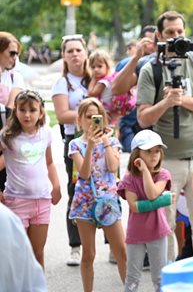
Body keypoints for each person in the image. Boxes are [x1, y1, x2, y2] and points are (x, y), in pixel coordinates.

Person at [136, 11, 193, 260]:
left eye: (180, 32)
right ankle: (167, 278)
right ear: (159, 36)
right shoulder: (151, 68)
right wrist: (166, 102)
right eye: (170, 33)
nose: (176, 38)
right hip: (165, 160)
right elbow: (143, 118)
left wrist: (183, 100)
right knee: (165, 224)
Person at [68, 97, 126, 291]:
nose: (93, 120)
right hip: (85, 203)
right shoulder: (75, 144)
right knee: (88, 254)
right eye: (88, 116)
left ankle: (130, 288)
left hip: (108, 201)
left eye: (97, 116)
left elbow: (113, 167)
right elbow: (83, 174)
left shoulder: (112, 141)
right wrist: (91, 145)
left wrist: (105, 142)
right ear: (80, 119)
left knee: (122, 251)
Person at [0, 89, 62, 268]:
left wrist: (56, 186)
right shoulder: (7, 136)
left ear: (41, 111)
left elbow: (49, 163)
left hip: (41, 201)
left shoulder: (46, 133)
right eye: (22, 110)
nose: (27, 115)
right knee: (18, 253)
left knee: (37, 253)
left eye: (32, 110)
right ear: (16, 111)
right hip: (16, 201)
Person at [51, 34, 90, 266]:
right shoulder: (62, 83)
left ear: (86, 52)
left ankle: (111, 244)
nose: (75, 54)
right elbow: (63, 114)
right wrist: (91, 114)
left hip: (101, 142)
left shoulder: (95, 78)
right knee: (76, 191)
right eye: (70, 51)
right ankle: (75, 246)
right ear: (64, 56)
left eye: (78, 50)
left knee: (105, 189)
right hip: (74, 142)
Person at [118, 130, 172, 292]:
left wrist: (146, 172)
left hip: (158, 231)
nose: (154, 155)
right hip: (136, 234)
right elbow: (134, 206)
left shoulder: (163, 174)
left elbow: (152, 193)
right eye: (148, 151)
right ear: (137, 154)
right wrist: (163, 200)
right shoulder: (129, 178)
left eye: (157, 151)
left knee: (159, 278)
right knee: (133, 278)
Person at [112, 25, 157, 153]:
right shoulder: (127, 64)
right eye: (147, 41)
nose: (151, 45)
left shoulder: (164, 65)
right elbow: (116, 92)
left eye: (155, 41)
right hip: (130, 124)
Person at [0, 202, 47, 291]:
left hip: (39, 201)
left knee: (37, 254)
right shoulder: (6, 218)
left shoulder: (6, 219)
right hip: (17, 201)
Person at [0, 32, 25, 191]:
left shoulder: (15, 77)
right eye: (12, 53)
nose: (15, 57)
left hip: (6, 132)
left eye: (17, 53)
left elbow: (12, 106)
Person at [88, 49, 135, 126]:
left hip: (104, 111)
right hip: (112, 111)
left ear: (107, 66)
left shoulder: (103, 82)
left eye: (99, 66)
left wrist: (93, 79)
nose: (96, 70)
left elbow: (91, 93)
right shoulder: (112, 78)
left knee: (98, 128)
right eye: (93, 67)